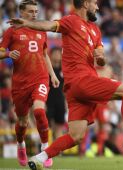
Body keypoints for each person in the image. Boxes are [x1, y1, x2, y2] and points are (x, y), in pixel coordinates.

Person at [9, 0, 123, 169]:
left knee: (75, 136)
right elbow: (49, 25)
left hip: (75, 89)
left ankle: (39, 158)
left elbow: (101, 58)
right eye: (95, 3)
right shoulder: (71, 21)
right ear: (85, 4)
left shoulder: (95, 30)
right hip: (81, 80)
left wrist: (101, 58)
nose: (97, 7)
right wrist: (27, 23)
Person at [0, 0, 59, 168]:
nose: (34, 14)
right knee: (23, 122)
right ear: (21, 13)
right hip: (20, 83)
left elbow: (44, 54)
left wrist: (52, 75)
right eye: (30, 11)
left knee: (39, 111)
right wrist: (9, 53)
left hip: (40, 78)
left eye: (36, 11)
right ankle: (21, 145)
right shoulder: (12, 31)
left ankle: (45, 150)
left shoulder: (41, 30)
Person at [46, 47, 66, 139]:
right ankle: (46, 147)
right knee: (47, 126)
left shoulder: (64, 70)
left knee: (59, 126)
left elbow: (66, 87)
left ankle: (59, 150)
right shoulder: (47, 70)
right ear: (51, 55)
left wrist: (66, 102)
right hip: (48, 100)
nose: (58, 55)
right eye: (55, 53)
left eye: (59, 54)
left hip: (60, 101)